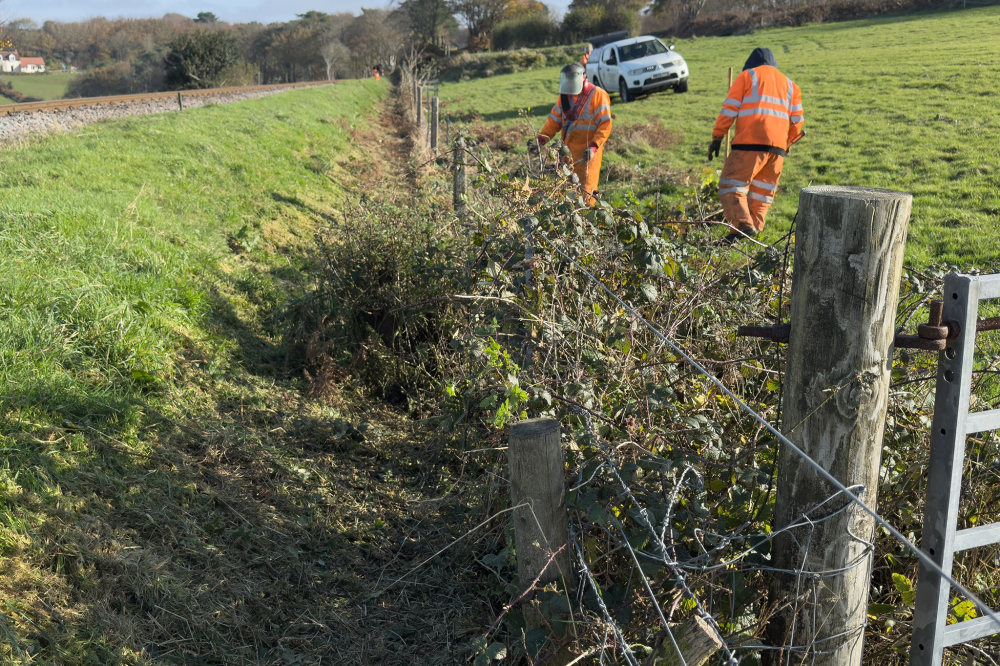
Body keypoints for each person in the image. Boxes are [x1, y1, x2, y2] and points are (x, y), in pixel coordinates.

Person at [708, 47, 805, 242]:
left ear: (750, 65)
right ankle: (750, 236)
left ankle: (743, 226)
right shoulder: (790, 85)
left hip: (749, 143)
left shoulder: (747, 76)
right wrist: (787, 143)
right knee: (762, 195)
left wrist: (717, 137)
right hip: (777, 149)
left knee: (731, 186)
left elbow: (729, 110)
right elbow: (798, 121)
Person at [536, 63, 612, 205]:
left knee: (586, 192)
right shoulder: (565, 97)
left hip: (587, 155)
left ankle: (586, 222)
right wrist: (540, 140)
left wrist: (594, 147)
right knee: (565, 191)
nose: (570, 85)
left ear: (584, 78)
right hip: (567, 154)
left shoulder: (598, 95)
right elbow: (554, 122)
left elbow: (605, 125)